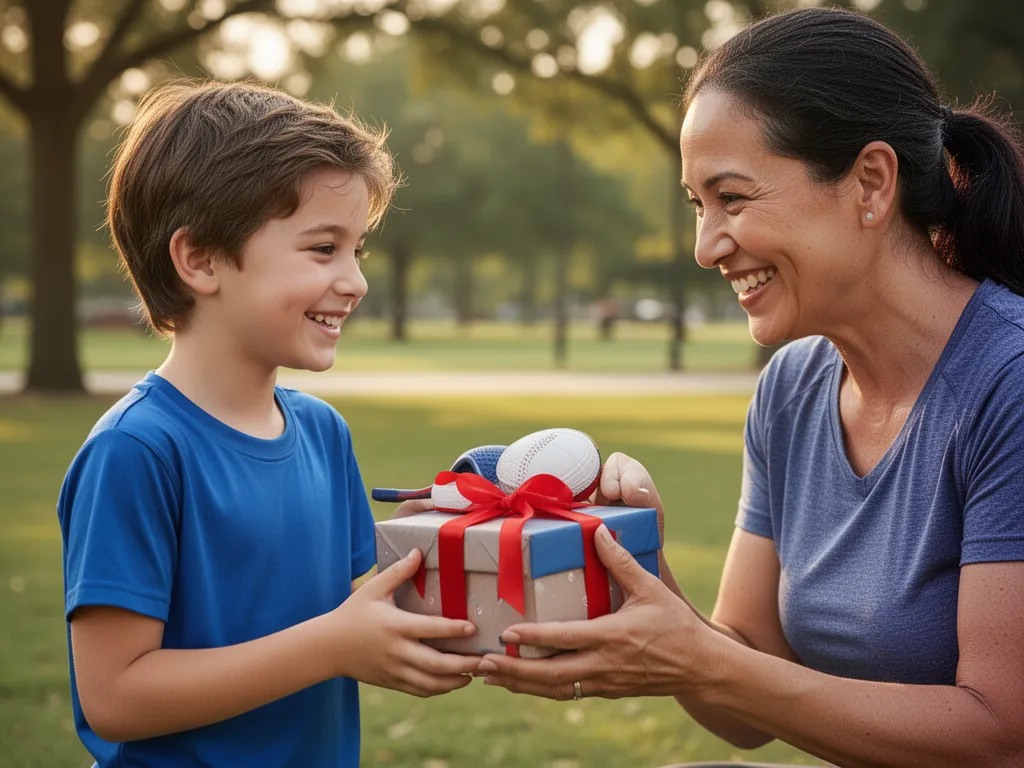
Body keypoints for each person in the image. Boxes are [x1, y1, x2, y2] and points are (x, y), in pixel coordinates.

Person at [474, 8, 1024, 767]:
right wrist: (641, 572)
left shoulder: (1010, 383)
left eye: (732, 198)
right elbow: (743, 698)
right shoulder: (792, 389)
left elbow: (1000, 735)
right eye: (699, 206)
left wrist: (704, 660)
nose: (706, 246)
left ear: (871, 183)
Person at [56, 81, 482, 768]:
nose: (355, 281)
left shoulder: (322, 432)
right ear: (199, 259)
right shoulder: (136, 451)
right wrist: (333, 647)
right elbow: (114, 696)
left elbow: (350, 611)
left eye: (357, 251)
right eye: (322, 249)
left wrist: (470, 534)